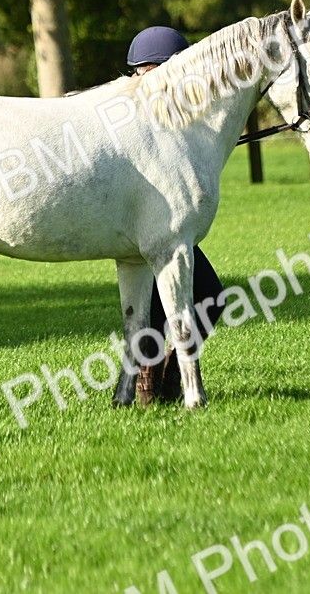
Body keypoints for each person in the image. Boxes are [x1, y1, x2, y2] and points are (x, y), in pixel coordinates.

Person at [124, 26, 227, 404]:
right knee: (153, 309)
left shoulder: (178, 111)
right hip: (146, 228)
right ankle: (147, 383)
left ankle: (168, 374)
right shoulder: (131, 114)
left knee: (212, 298)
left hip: (170, 226)